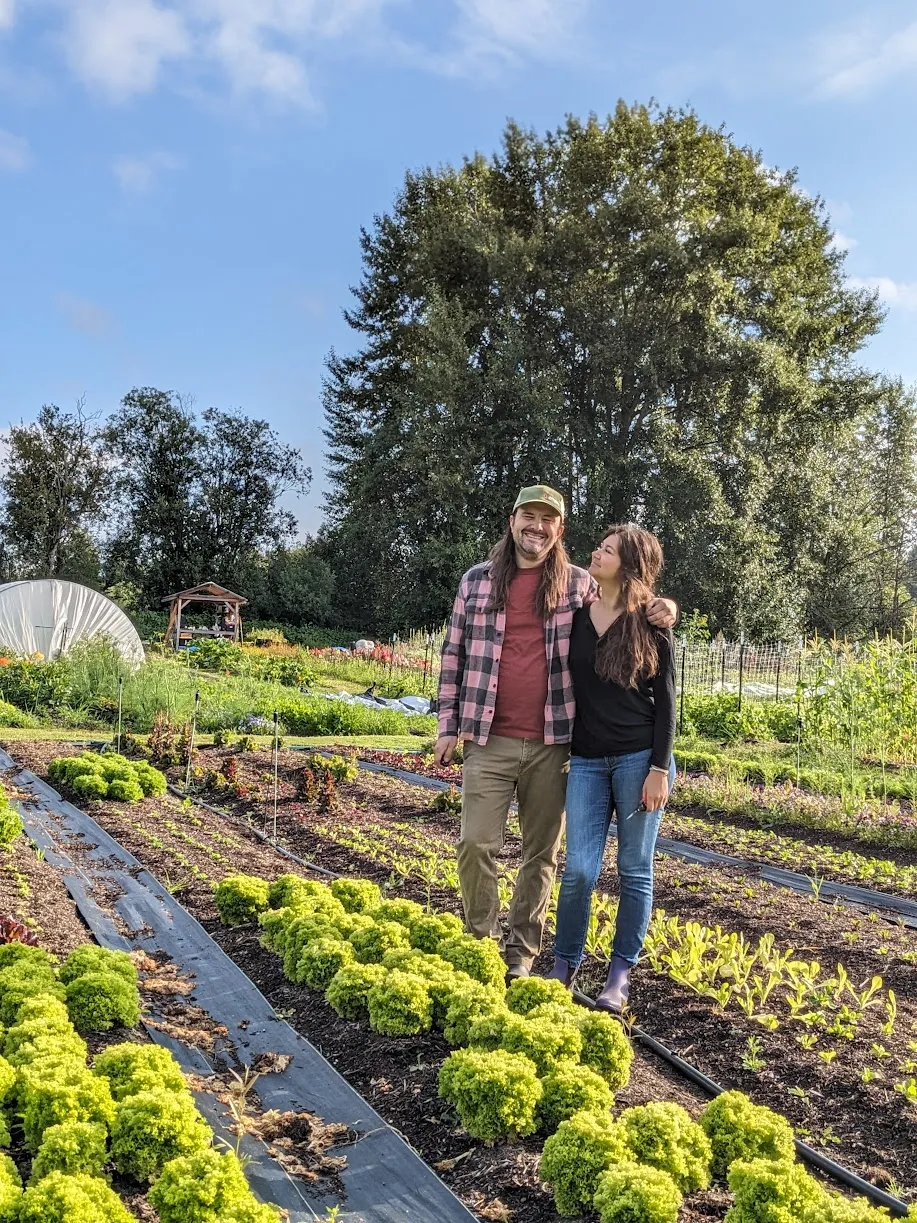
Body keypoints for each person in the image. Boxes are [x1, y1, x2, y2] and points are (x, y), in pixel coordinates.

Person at [434, 487, 677, 980]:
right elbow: (453, 654)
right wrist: (447, 725)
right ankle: (481, 942)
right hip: (488, 737)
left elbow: (628, 600)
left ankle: (520, 955)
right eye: (529, 515)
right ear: (512, 520)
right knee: (476, 844)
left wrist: (666, 606)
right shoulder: (476, 581)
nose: (537, 526)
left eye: (548, 520)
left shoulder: (578, 584)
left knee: (540, 855)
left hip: (555, 742)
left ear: (559, 530)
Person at [548, 523, 676, 1011]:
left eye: (608, 550)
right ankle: (564, 966)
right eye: (599, 547)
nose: (596, 553)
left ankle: (619, 976)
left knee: (633, 868)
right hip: (585, 760)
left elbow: (667, 703)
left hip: (639, 759)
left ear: (629, 565)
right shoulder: (578, 616)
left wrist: (659, 769)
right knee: (579, 870)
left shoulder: (651, 622)